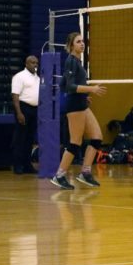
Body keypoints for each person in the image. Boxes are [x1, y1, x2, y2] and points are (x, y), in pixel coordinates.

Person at [50, 32, 106, 190]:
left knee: (97, 138)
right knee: (75, 142)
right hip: (74, 106)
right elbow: (69, 87)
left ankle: (85, 172)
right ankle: (59, 175)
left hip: (81, 103)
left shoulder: (78, 62)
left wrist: (85, 95)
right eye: (78, 41)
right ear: (71, 45)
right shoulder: (71, 61)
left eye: (83, 41)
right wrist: (91, 89)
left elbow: (62, 84)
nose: (82, 44)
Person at [11, 55, 39, 174]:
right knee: (20, 139)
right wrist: (19, 113)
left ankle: (27, 165)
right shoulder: (19, 76)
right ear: (26, 64)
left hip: (34, 109)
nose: (35, 65)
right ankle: (17, 165)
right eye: (32, 62)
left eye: (36, 63)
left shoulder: (37, 78)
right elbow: (15, 96)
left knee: (30, 139)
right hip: (23, 108)